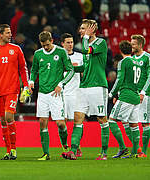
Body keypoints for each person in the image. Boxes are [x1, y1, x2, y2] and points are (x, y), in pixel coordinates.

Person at [63, 19, 109, 160]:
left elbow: (85, 49)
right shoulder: (87, 44)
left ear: (91, 30)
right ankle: (73, 151)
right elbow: (85, 67)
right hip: (83, 87)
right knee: (78, 119)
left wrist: (87, 37)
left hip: (97, 86)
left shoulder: (100, 43)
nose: (80, 31)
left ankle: (104, 153)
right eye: (81, 28)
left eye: (83, 28)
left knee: (102, 119)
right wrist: (70, 68)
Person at [0, 24, 30, 160]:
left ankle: (14, 150)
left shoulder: (16, 49)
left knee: (9, 116)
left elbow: (23, 68)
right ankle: (8, 150)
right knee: (3, 120)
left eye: (10, 32)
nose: (10, 35)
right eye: (8, 33)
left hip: (12, 89)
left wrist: (26, 86)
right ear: (0, 34)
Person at [29, 31, 74, 160]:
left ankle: (65, 146)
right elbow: (34, 70)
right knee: (43, 122)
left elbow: (70, 70)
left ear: (52, 41)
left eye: (48, 45)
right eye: (43, 45)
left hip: (56, 93)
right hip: (42, 93)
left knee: (60, 123)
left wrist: (61, 83)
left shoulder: (61, 52)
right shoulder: (38, 54)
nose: (46, 47)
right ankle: (45, 153)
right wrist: (31, 81)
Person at [108, 40, 142, 159]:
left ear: (120, 50)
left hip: (126, 96)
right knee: (134, 125)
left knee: (111, 121)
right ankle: (135, 152)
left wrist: (112, 93)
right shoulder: (137, 62)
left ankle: (123, 148)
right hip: (136, 97)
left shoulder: (123, 62)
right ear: (131, 50)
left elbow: (119, 79)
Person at [131, 34, 150, 157]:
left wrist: (143, 92)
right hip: (132, 95)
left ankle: (144, 152)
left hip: (145, 95)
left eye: (134, 44)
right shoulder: (130, 58)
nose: (132, 46)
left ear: (140, 45)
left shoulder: (148, 57)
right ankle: (136, 149)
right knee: (130, 122)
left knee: (145, 123)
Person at [60, 33, 83, 157]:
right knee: (62, 123)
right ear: (62, 44)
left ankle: (76, 146)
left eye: (72, 42)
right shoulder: (58, 57)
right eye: (68, 42)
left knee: (77, 121)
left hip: (76, 94)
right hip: (61, 94)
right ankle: (65, 146)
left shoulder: (79, 57)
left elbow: (84, 74)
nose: (70, 45)